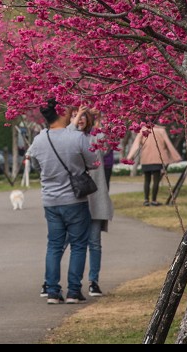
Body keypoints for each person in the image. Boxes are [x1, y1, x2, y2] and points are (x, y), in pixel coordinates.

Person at [26, 98, 99, 305]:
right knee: (78, 245)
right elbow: (93, 162)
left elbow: (34, 164)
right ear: (61, 113)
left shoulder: (39, 139)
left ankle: (52, 291)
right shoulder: (76, 138)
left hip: (50, 200)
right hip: (75, 200)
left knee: (54, 245)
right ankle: (74, 291)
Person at [73, 108, 113, 297]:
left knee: (94, 242)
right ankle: (71, 283)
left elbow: (110, 139)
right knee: (71, 243)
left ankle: (93, 281)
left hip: (95, 198)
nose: (79, 119)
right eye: (74, 115)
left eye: (82, 115)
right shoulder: (67, 140)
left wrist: (104, 114)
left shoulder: (97, 138)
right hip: (74, 198)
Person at [124, 123, 183, 206]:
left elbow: (136, 144)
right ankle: (154, 200)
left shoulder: (143, 130)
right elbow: (168, 143)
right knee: (156, 180)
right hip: (158, 158)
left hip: (146, 158)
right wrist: (176, 157)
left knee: (147, 180)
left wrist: (129, 157)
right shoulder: (161, 131)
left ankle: (146, 200)